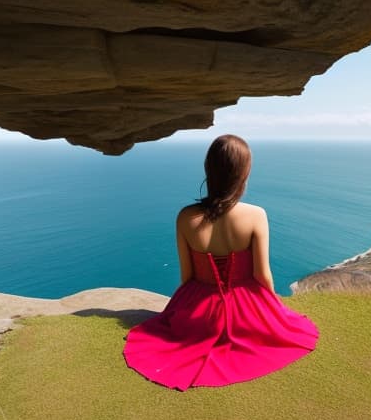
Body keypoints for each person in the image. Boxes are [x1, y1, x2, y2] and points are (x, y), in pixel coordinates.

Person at [123, 134, 320, 391]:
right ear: (243, 174)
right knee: (287, 332)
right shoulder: (256, 215)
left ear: (209, 169)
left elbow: (187, 276)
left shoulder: (185, 217)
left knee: (169, 338)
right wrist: (274, 310)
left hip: (197, 313)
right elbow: (262, 275)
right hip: (247, 314)